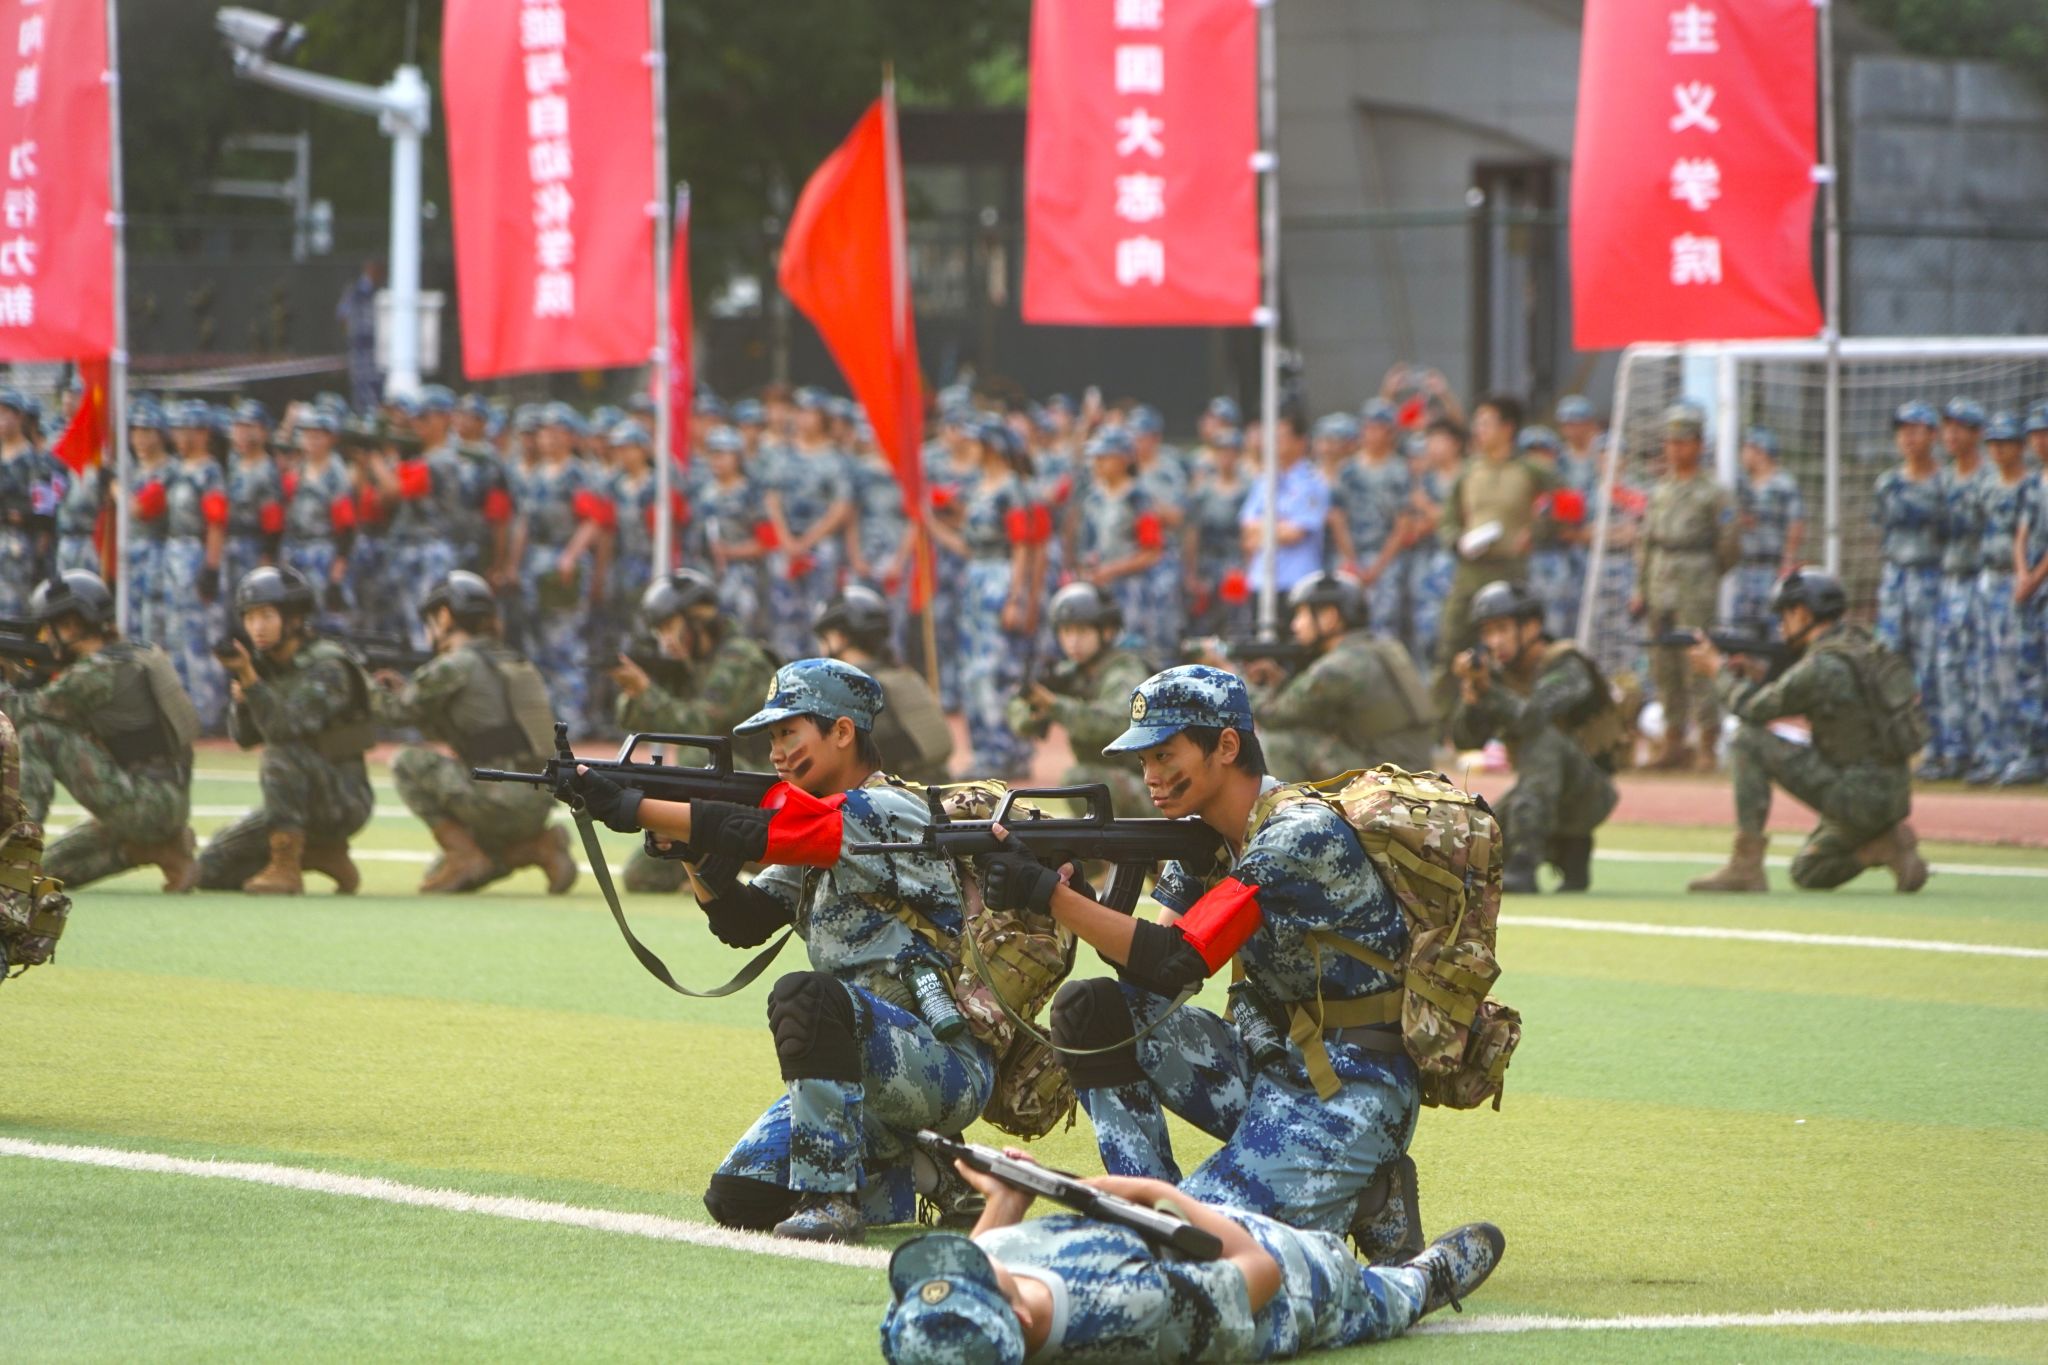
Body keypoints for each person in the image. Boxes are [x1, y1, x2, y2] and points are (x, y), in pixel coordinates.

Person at [570, 660, 996, 1244]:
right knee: (738, 1198)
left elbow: (762, 830)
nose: (775, 752)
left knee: (805, 995)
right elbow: (742, 923)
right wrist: (688, 850)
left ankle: (832, 1200)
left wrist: (633, 807)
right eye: (771, 738)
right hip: (855, 1063)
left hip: (941, 1061)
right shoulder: (819, 824)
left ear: (841, 732)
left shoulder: (884, 811)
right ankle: (938, 1172)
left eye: (788, 733)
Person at [1015, 665, 1422, 1259]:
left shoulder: (1296, 835)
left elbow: (1179, 960)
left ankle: (1371, 1191)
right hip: (1273, 1062)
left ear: (1226, 746)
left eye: (1164, 755)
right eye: (1143, 760)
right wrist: (1069, 889)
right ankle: (1146, 1208)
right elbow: (1149, 972)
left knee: (1203, 1245)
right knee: (1092, 1011)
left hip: (1354, 1084)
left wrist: (1051, 897)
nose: (1150, 776)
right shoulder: (1208, 836)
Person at [878, 1163, 1503, 1364]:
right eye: (971, 1278)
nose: (957, 1268)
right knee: (1366, 1294)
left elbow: (984, 1262)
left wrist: (1007, 1199)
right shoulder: (1130, 1314)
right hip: (1293, 1286)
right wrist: (1150, 1193)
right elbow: (1258, 1271)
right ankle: (1420, 1280)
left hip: (1176, 1240)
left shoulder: (973, 1323)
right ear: (1016, 1314)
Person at [1686, 568, 1929, 894]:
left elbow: (1752, 708)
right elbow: (1833, 704)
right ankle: (1885, 846)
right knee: (1809, 872)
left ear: (1802, 612)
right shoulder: (1864, 646)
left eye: (1784, 616)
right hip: (1892, 793)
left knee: (1747, 739)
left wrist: (1717, 671)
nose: (1781, 625)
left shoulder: (1821, 665)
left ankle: (1745, 865)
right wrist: (1754, 675)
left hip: (1856, 795)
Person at [370, 571, 577, 895]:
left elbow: (394, 713)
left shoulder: (456, 664)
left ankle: (464, 855)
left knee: (406, 763)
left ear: (444, 616)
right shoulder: (512, 660)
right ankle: (541, 846)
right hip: (537, 801)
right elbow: (478, 728)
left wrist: (364, 683)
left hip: (498, 801)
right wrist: (406, 691)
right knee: (443, 874)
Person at [0, 572, 200, 892]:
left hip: (146, 802)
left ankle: (16, 851)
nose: (45, 638)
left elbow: (18, 712)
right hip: (161, 799)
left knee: (39, 736)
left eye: (50, 628)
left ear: (72, 625)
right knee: (47, 872)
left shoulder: (98, 672)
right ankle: (157, 850)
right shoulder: (134, 653)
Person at [197, 567, 376, 895]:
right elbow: (245, 738)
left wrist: (252, 682)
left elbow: (285, 729)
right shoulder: (265, 664)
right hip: (297, 800)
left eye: (266, 616)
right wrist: (244, 694)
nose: (257, 627)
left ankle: (286, 867)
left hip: (342, 800)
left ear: (293, 619)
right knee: (209, 869)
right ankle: (322, 855)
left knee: (280, 752)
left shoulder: (327, 666)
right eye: (250, 617)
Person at [606, 571, 779, 893]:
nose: (665, 639)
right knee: (643, 876)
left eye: (669, 626)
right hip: (726, 786)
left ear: (698, 619)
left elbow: (695, 726)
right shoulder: (694, 663)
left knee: (695, 758)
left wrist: (644, 689)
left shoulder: (739, 658)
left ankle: (748, 853)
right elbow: (631, 720)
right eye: (659, 631)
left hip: (764, 784)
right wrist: (636, 689)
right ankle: (720, 850)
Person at [1447, 580, 1621, 894]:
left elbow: (1533, 718)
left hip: (1588, 792)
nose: (1494, 641)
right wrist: (1473, 697)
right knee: (1472, 850)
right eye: (1487, 632)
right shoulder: (1498, 675)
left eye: (1502, 629)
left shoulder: (1566, 663)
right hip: (1536, 793)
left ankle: (1525, 864)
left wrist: (1489, 691)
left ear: (1531, 627)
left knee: (1543, 738)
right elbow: (1465, 741)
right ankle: (1567, 849)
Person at [931, 418, 1042, 778]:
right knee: (972, 673)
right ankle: (986, 751)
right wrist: (930, 524)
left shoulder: (1013, 489)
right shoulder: (979, 487)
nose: (971, 447)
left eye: (978, 442)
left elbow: (1023, 547)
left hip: (1000, 578)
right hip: (976, 578)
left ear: (993, 447)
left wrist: (1016, 598)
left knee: (996, 670)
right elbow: (969, 543)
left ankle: (1006, 751)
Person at [1632, 402, 1739, 770]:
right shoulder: (1661, 490)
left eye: (1683, 442)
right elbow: (1646, 541)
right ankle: (1673, 738)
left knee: (1696, 661)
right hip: (1660, 580)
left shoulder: (1714, 492)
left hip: (1696, 580)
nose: (1675, 449)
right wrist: (1641, 587)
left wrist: (1705, 574)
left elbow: (1729, 544)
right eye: (1670, 442)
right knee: (1663, 664)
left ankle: (1708, 739)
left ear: (1698, 444)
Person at [1248, 571, 1436, 780]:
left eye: (1302, 614)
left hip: (1386, 780)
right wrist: (1281, 683)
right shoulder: (1379, 649)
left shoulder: (1339, 666)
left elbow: (1273, 716)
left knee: (1280, 742)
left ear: (1329, 617)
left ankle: (1290, 803)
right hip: (1409, 770)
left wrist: (1238, 681)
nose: (1295, 625)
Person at [1434, 395, 1553, 705]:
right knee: (1451, 646)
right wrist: (1457, 541)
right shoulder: (1468, 471)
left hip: (1511, 573)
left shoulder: (1531, 469)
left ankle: (1519, 710)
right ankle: (1445, 721)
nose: (1478, 430)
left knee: (1517, 648)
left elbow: (1568, 503)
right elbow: (1447, 520)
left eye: (1486, 423)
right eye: (1478, 423)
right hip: (1470, 573)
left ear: (1507, 428)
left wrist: (1537, 531)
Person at [1006, 582, 1153, 815]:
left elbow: (1117, 723)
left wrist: (1054, 705)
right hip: (1117, 781)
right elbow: (1018, 717)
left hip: (1150, 785)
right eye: (1066, 632)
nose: (1073, 641)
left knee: (1078, 780)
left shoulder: (1124, 670)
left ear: (1106, 631)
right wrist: (1034, 709)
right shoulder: (1070, 673)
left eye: (1082, 631)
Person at [509, 403, 608, 738]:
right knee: (536, 648)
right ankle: (545, 722)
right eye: (544, 432)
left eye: (555, 431)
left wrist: (570, 556)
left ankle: (572, 721)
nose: (547, 438)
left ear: (570, 437)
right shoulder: (535, 474)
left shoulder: (578, 474)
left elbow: (592, 522)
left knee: (564, 644)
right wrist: (513, 565)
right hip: (535, 565)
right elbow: (523, 524)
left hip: (564, 564)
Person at [1872, 401, 1946, 778]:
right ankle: (1888, 745)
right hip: (1896, 579)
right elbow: (1881, 531)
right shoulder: (1888, 484)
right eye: (1903, 431)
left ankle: (1936, 749)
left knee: (1932, 665)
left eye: (1916, 430)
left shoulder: (1945, 483)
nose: (1908, 438)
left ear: (1933, 435)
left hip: (1932, 578)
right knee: (1886, 664)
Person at [814, 585, 953, 786]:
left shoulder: (854, 687)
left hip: (901, 794)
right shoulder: (902, 675)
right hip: (936, 786)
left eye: (824, 637)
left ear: (840, 638)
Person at [1970, 415, 2033, 785]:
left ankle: (2018, 752)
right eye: (1992, 443)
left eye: (2005, 442)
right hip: (1987, 578)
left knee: (2013, 668)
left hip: (2016, 580)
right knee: (1985, 669)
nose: (1998, 449)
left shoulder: (2030, 487)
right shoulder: (1986, 485)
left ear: (2020, 446)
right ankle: (1991, 752)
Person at [1933, 397, 1989, 782]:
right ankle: (1953, 750)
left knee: (1980, 668)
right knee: (1947, 667)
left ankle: (1985, 751)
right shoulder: (1943, 479)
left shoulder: (1988, 478)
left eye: (1960, 427)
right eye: (1947, 427)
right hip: (1947, 581)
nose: (1951, 434)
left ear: (1977, 434)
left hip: (1980, 580)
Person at [1329, 400, 1413, 644]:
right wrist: (1352, 560)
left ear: (1390, 432)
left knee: (1384, 627)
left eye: (1378, 428)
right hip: (1350, 558)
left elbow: (1403, 523)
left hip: (1385, 559)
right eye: (1367, 427)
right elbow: (1337, 517)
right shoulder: (1348, 470)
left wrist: (1377, 567)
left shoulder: (1399, 471)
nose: (1371, 434)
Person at [1236, 413, 1330, 601]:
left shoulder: (1313, 483)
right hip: (1261, 580)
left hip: (1298, 581)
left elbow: (1296, 533)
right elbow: (1247, 528)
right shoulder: (1264, 481)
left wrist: (1262, 531)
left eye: (1282, 436)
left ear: (1301, 442)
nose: (1275, 442)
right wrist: (1280, 527)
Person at [1731, 427, 1806, 628]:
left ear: (1760, 451)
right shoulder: (1741, 485)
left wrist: (1788, 559)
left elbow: (1796, 521)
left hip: (1772, 567)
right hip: (1745, 567)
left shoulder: (1783, 484)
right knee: (1743, 627)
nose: (1743, 454)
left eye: (1747, 448)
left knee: (1774, 623)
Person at [222, 399, 286, 594]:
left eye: (249, 427)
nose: (242, 434)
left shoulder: (266, 470)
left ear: (263, 432)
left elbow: (273, 523)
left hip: (253, 545)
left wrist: (266, 559)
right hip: (230, 543)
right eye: (238, 427)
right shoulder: (234, 464)